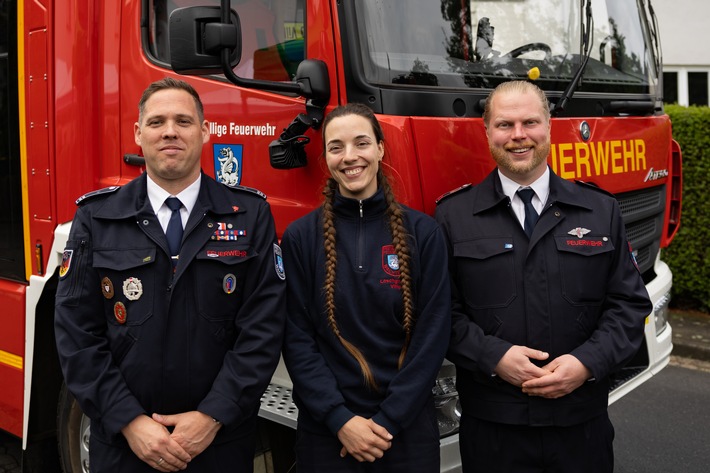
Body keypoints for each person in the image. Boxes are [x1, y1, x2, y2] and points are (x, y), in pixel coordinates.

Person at [54, 77, 286, 472]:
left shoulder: (249, 216)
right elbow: (77, 333)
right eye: (157, 122)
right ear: (138, 134)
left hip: (219, 443)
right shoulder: (96, 218)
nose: (170, 132)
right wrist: (129, 421)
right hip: (126, 446)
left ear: (205, 131)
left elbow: (263, 330)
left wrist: (212, 416)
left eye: (183, 121)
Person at [434, 81, 652, 473]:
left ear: (549, 127)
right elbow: (439, 315)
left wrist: (586, 363)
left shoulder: (599, 211)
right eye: (504, 124)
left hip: (580, 424)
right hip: (494, 428)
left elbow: (629, 306)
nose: (518, 136)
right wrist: (494, 356)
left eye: (529, 122)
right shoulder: (453, 216)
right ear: (487, 132)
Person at [280, 103, 450, 472]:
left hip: (405, 433)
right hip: (329, 434)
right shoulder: (299, 238)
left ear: (381, 148)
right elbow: (297, 339)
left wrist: (388, 421)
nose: (350, 157)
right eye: (336, 147)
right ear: (325, 157)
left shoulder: (423, 233)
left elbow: (433, 336)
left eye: (361, 143)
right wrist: (339, 419)